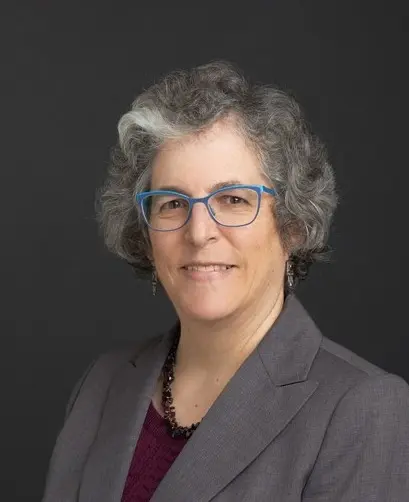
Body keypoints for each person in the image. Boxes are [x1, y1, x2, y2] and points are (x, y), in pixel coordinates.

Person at [42, 61, 409, 502]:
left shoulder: (361, 408)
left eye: (233, 200)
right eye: (172, 203)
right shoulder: (102, 382)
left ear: (292, 225)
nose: (199, 232)